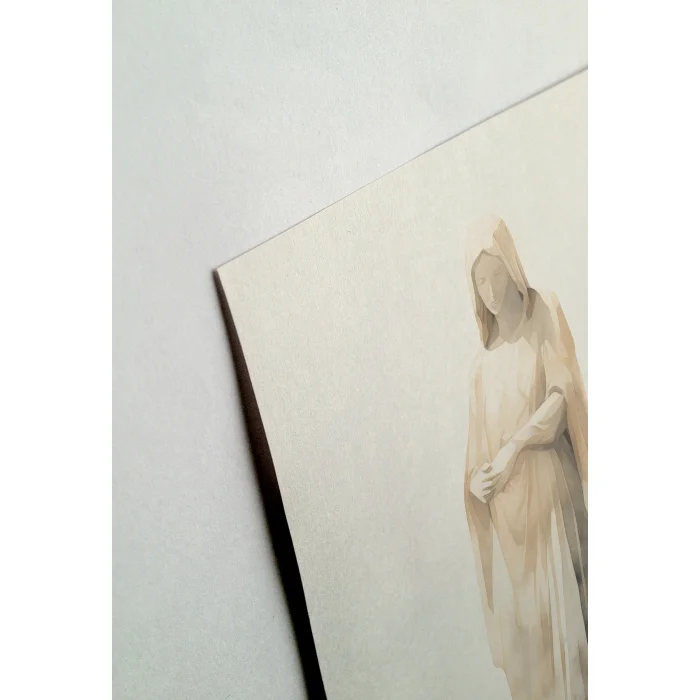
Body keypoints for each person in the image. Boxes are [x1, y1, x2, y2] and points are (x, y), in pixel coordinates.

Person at [463, 216, 588, 700]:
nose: (491, 291)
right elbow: (476, 460)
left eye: (496, 274)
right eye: (480, 281)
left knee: (573, 643)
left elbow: (561, 398)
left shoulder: (545, 314)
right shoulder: (481, 365)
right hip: (514, 535)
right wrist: (476, 482)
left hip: (553, 509)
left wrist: (514, 447)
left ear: (512, 266)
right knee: (536, 654)